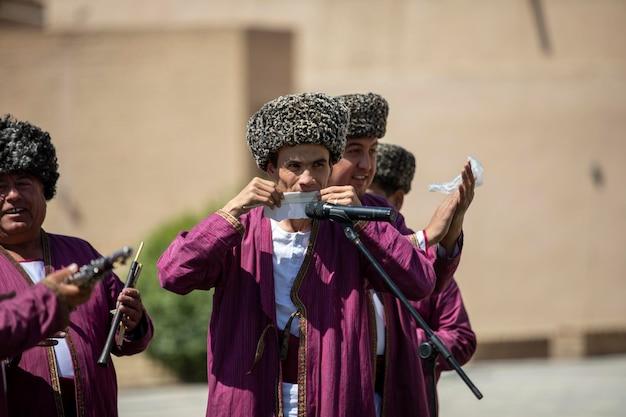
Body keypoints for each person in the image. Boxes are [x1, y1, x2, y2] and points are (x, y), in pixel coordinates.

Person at [157, 92, 437, 417]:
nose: (307, 179)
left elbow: (419, 282)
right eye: (294, 166)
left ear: (331, 165)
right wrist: (230, 211)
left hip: (334, 400)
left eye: (318, 165)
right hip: (251, 399)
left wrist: (362, 223)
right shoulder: (242, 229)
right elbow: (172, 274)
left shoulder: (350, 227)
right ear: (272, 168)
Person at [329, 93, 474, 416]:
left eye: (372, 151)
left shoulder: (380, 213)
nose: (365, 166)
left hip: (395, 392)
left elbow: (424, 279)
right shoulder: (305, 221)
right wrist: (424, 237)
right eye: (354, 151)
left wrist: (450, 226)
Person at [0, 114, 153, 417]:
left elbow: (125, 339)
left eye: (23, 183)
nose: (13, 195)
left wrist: (133, 323)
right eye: (1, 185)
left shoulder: (79, 253)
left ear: (45, 191)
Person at [369, 143, 476, 417]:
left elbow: (461, 336)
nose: (365, 214)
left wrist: (408, 347)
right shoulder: (342, 251)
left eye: (373, 202)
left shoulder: (423, 263)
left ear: (396, 201)